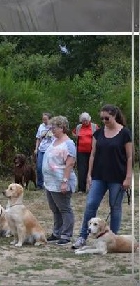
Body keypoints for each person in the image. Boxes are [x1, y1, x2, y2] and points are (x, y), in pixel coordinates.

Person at [72, 104, 133, 249]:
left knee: (115, 207)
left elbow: (130, 157)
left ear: (114, 116)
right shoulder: (98, 133)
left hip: (118, 177)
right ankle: (82, 237)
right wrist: (89, 175)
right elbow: (92, 155)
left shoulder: (125, 133)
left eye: (107, 118)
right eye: (102, 118)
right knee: (91, 205)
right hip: (99, 175)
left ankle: (113, 238)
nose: (104, 120)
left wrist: (128, 177)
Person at [42, 115, 78, 246]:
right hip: (50, 181)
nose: (52, 130)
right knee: (54, 208)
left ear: (62, 128)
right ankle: (57, 232)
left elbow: (69, 164)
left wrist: (64, 181)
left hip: (61, 181)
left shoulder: (68, 144)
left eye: (54, 128)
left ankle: (66, 234)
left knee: (64, 208)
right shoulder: (54, 140)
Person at [74, 112, 98, 193]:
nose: (85, 122)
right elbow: (74, 133)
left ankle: (93, 187)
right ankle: (81, 188)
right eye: (83, 120)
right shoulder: (78, 127)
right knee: (81, 169)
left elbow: (99, 135)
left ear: (89, 119)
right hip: (81, 151)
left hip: (92, 151)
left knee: (92, 169)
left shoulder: (94, 126)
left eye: (86, 120)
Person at [34, 112, 54, 189]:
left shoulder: (53, 127)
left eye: (45, 119)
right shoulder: (41, 126)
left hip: (50, 150)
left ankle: (49, 184)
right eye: (43, 119)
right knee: (39, 167)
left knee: (49, 168)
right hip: (41, 149)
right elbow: (38, 138)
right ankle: (39, 184)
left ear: (49, 119)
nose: (44, 121)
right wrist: (36, 148)